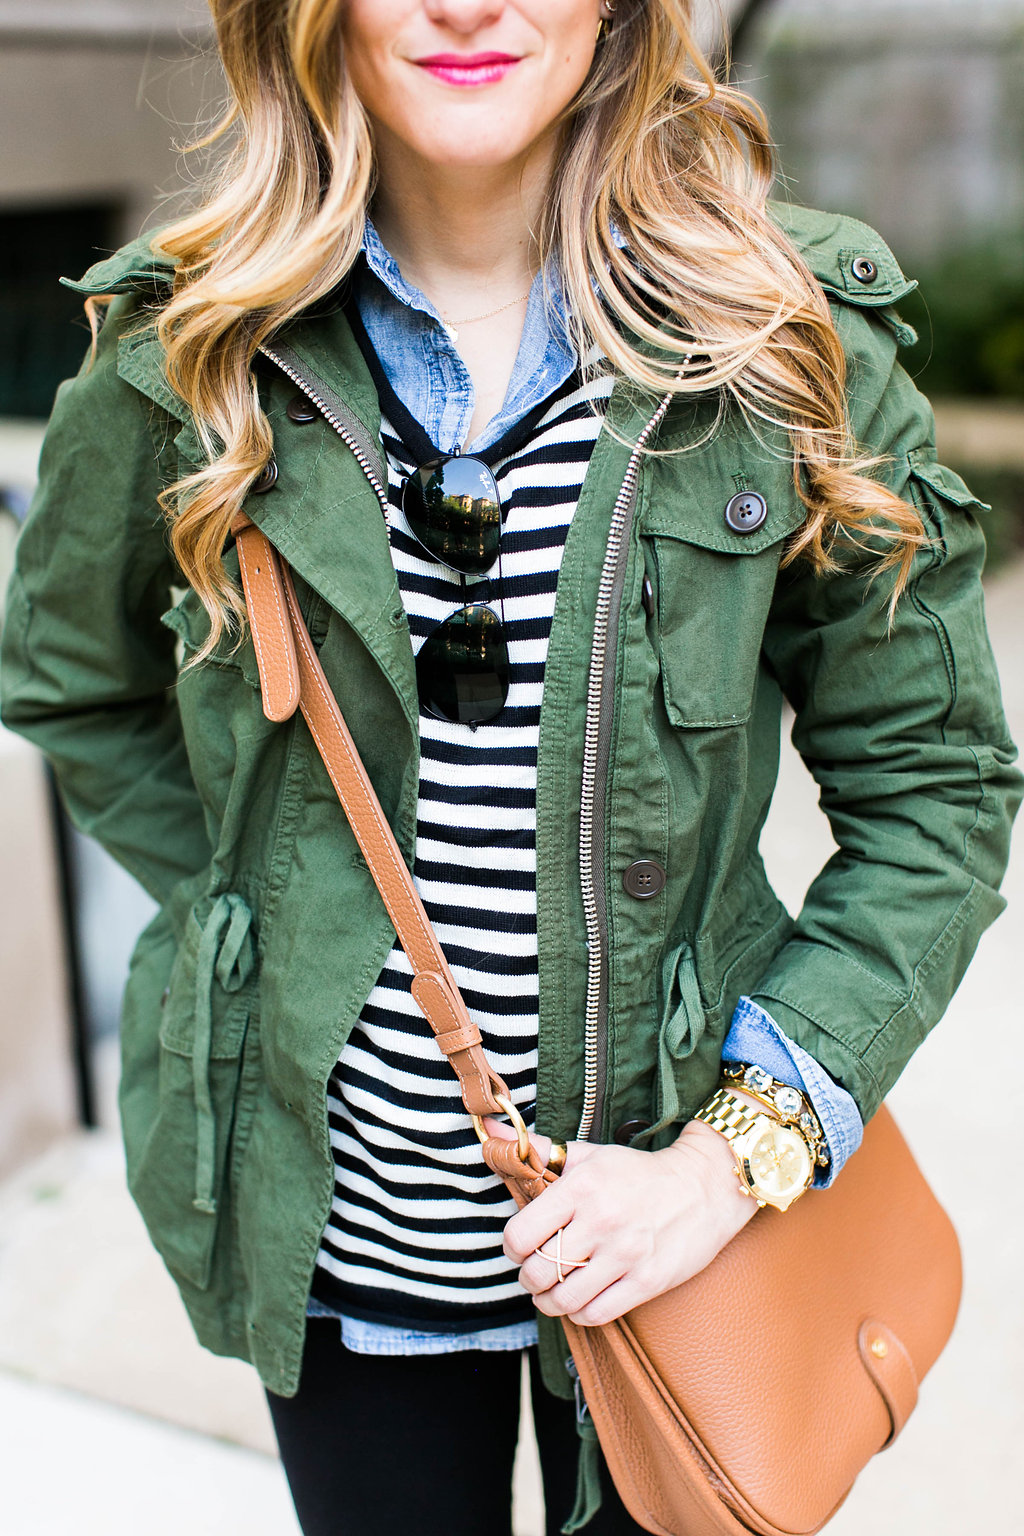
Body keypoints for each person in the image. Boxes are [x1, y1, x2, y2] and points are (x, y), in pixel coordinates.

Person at [2, 2, 1019, 1533]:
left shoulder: (777, 336)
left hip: (686, 1249)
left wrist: (723, 1165)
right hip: (345, 1263)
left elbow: (938, 787)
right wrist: (258, 917)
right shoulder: (186, 353)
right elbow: (71, 680)